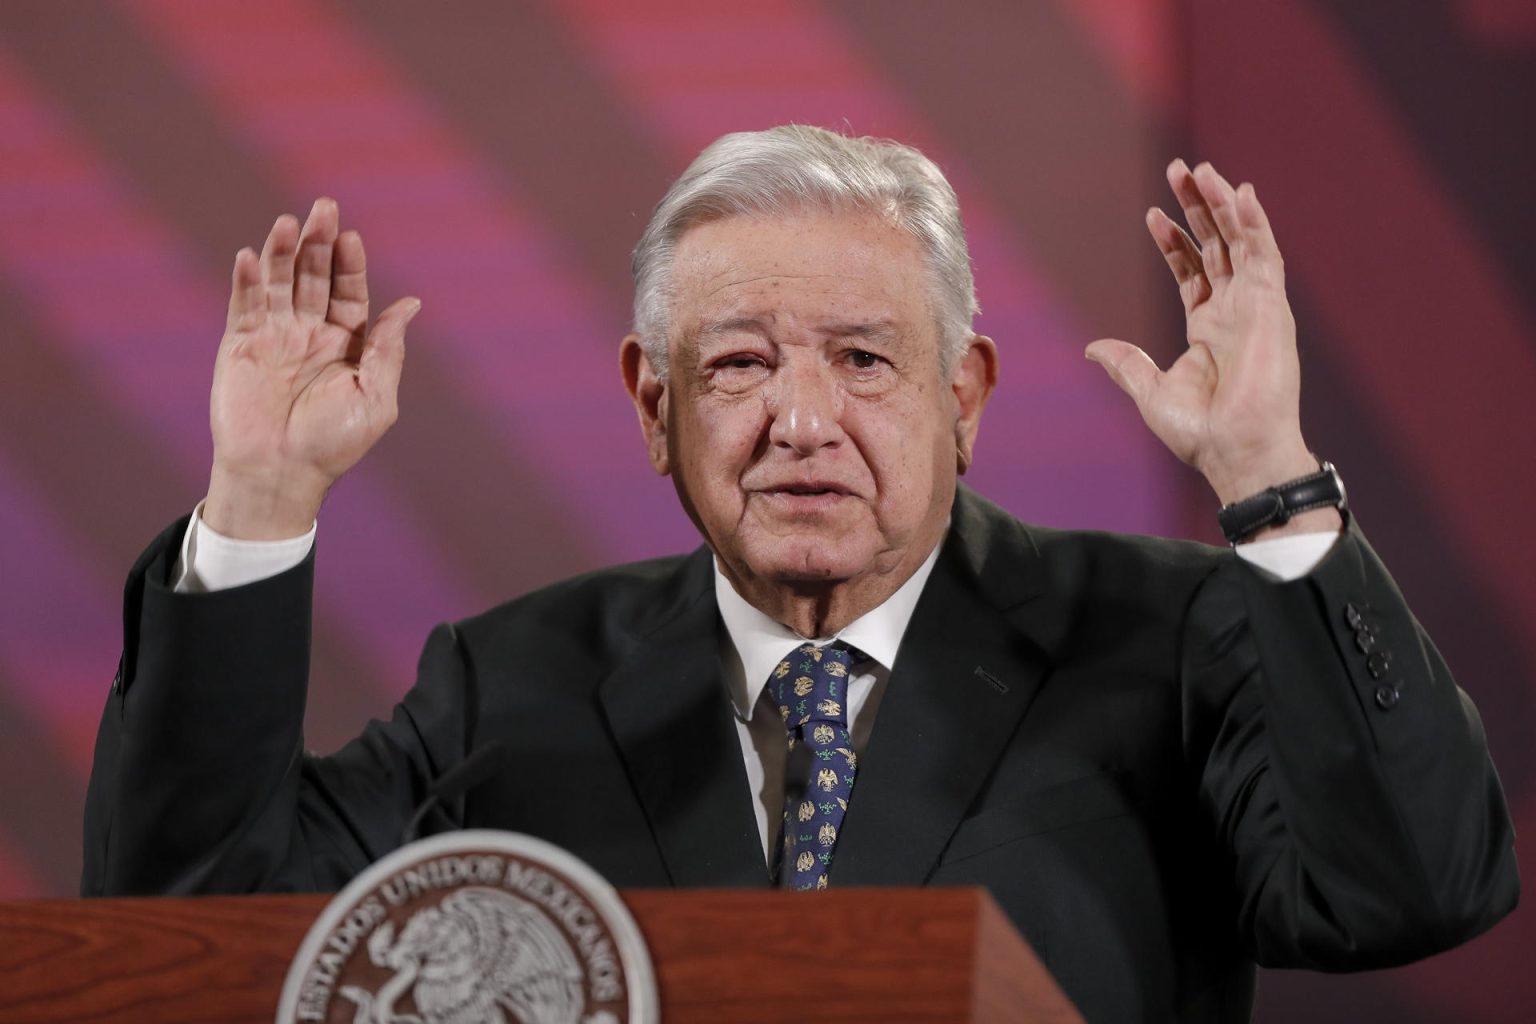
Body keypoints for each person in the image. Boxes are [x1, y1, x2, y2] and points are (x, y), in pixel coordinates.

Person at [83, 126, 1517, 1022]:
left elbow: (1413, 889)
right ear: (654, 407)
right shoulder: (510, 680)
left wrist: (1273, 480)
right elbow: (195, 943)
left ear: (967, 398)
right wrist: (261, 502)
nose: (803, 420)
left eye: (866, 361)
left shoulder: (1167, 634)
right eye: (742, 365)